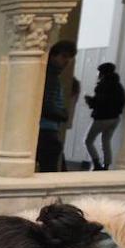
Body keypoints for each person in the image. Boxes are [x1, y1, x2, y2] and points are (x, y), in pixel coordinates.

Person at [36, 40, 77, 172]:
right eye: (64, 56)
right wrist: (63, 115)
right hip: (46, 130)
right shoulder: (50, 77)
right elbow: (45, 106)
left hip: (46, 130)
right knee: (49, 171)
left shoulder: (51, 75)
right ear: (53, 55)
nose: (67, 61)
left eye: (69, 58)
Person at [84, 63, 125, 171]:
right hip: (115, 118)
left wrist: (89, 100)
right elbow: (121, 102)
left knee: (88, 141)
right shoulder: (118, 86)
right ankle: (106, 165)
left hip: (102, 118)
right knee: (106, 141)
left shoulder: (103, 86)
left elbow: (99, 102)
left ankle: (96, 163)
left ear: (102, 73)